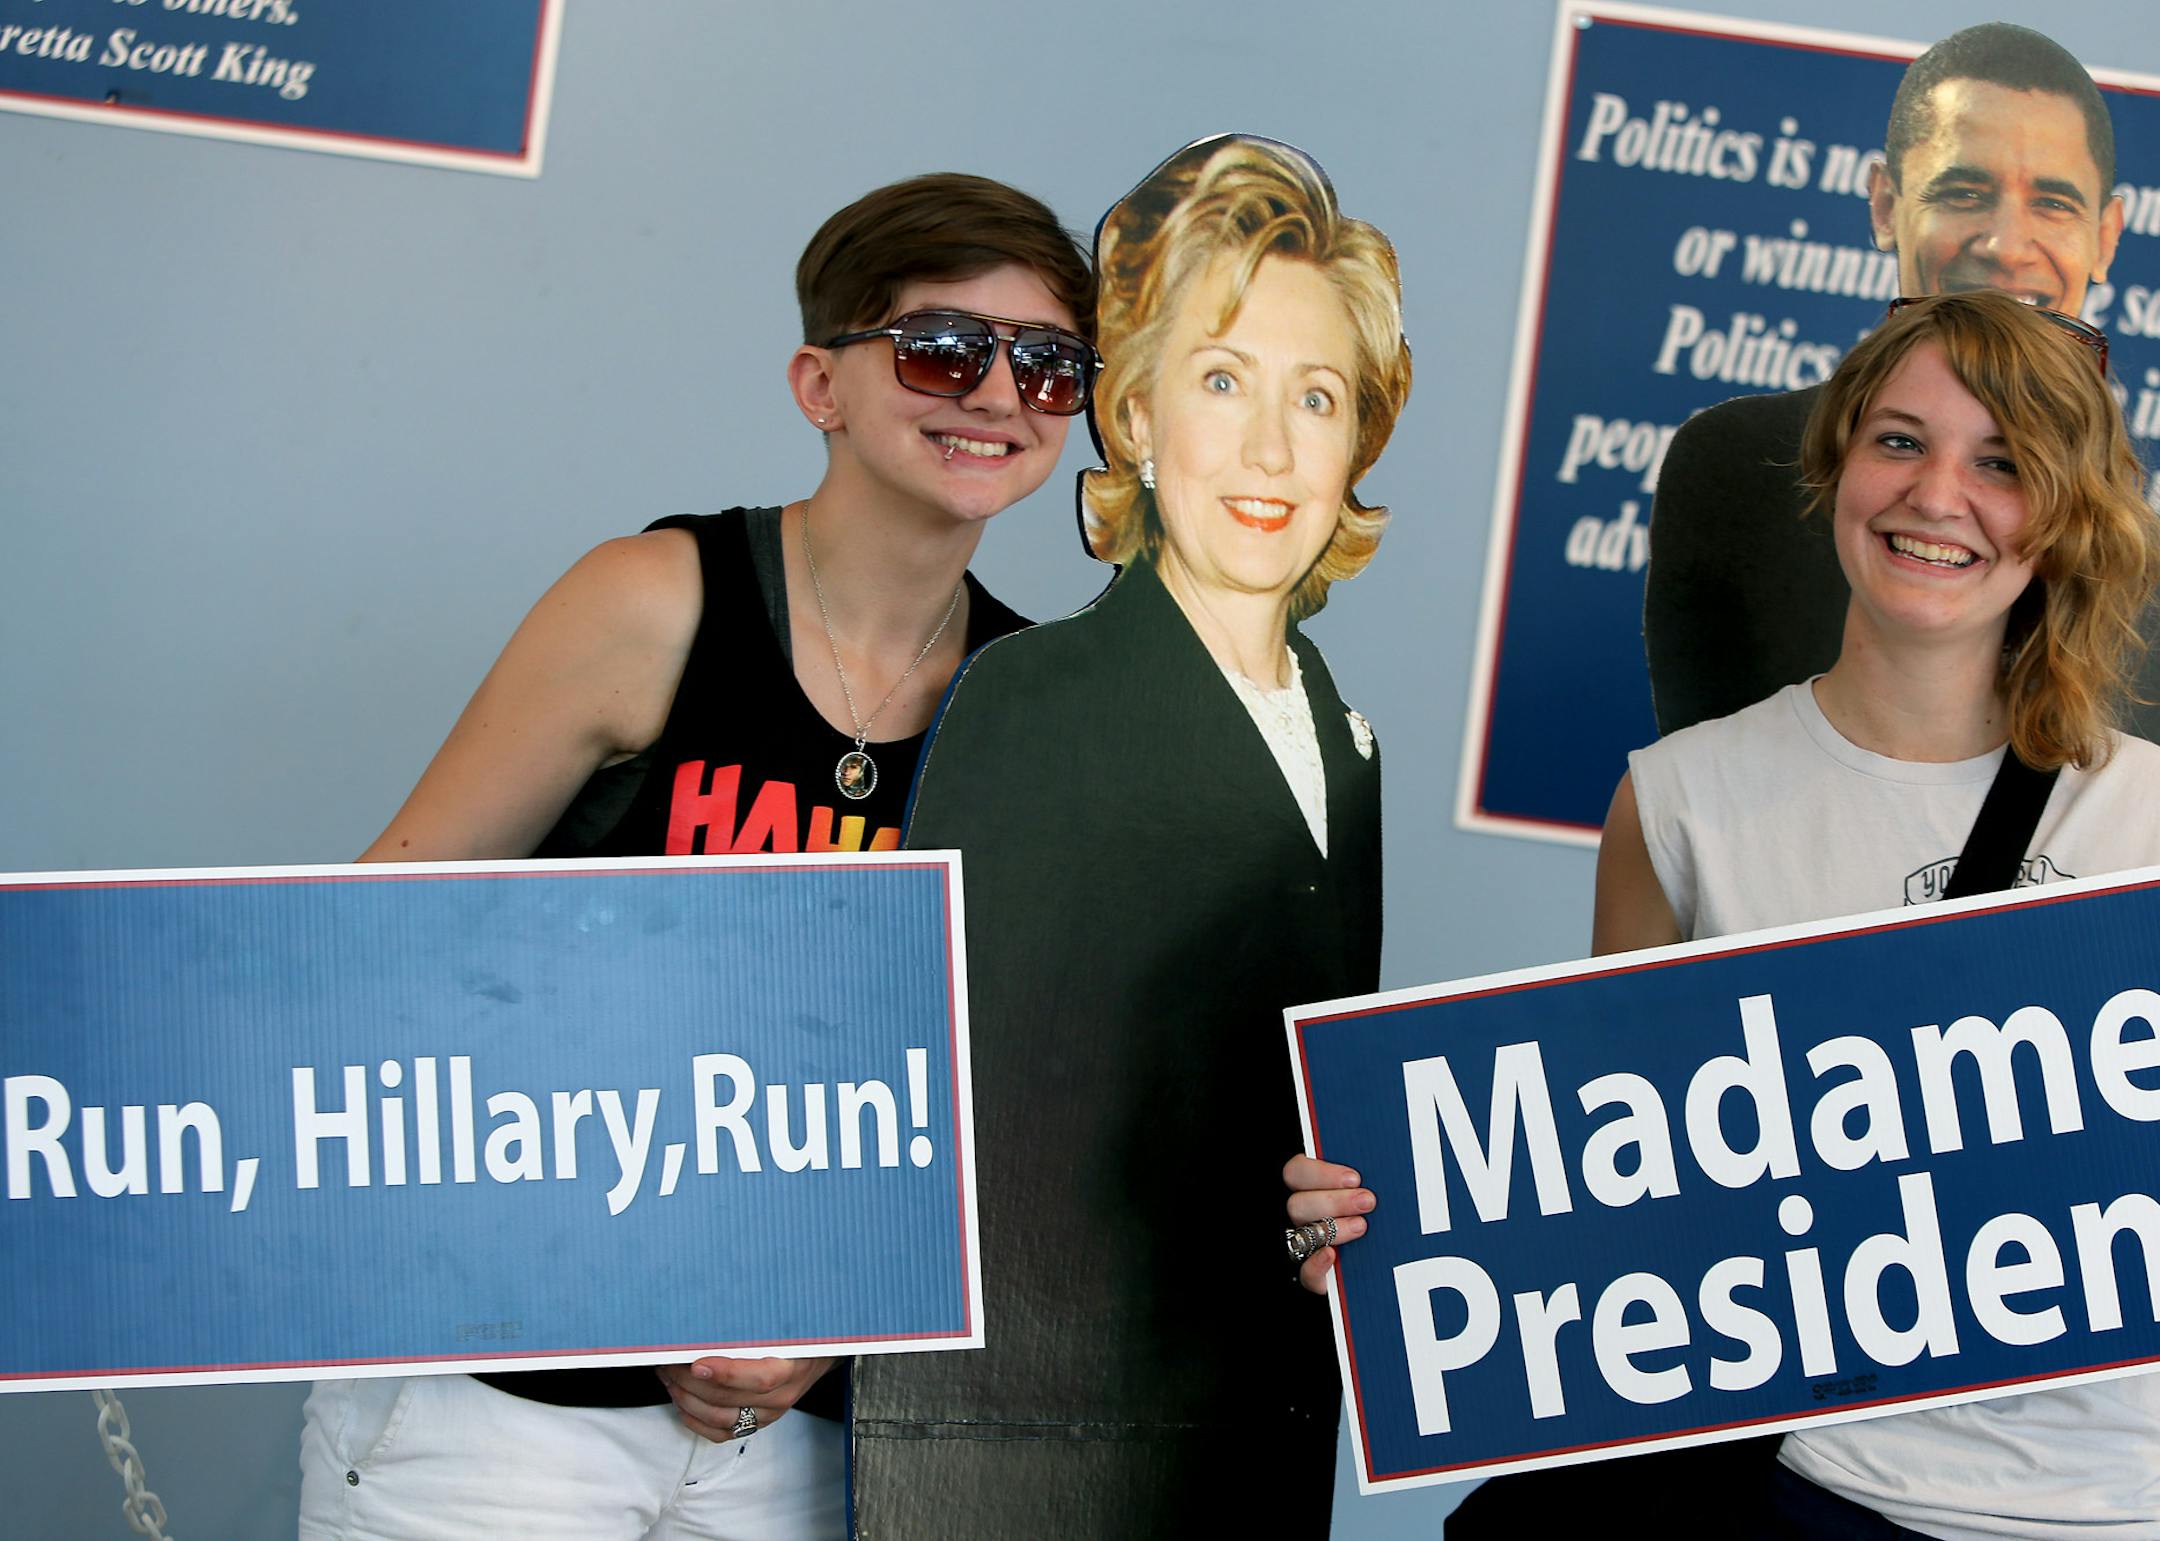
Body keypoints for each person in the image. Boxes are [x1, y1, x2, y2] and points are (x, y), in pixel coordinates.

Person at [295, 172, 1096, 1540]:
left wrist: (837, 1332)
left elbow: (986, 1099)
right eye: (942, 347)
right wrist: (620, 1272)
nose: (998, 393)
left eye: (1049, 364)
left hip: (804, 1439)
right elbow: (386, 944)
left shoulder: (1035, 702)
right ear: (820, 384)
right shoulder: (656, 601)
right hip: (504, 1409)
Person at [1298, 291, 2160, 1532]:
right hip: (1810, 1493)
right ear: (1838, 462)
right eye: (1901, 440)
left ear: (2068, 512)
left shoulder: (2142, 818)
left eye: (2004, 463)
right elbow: (1612, 1199)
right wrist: (1400, 1242)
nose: (1937, 494)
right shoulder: (1679, 801)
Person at [847, 135, 1410, 1536]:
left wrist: (1336, 1211)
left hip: (1255, 1454)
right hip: (1047, 1468)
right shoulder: (1033, 704)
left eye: (1318, 397)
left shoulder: (1345, 741)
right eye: (1223, 383)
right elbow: (980, 1165)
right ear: (1140, 418)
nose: (1273, 450)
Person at [1643, 22, 2143, 740]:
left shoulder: (2143, 562)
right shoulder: (1741, 464)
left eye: (2054, 203)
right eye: (1965, 191)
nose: (2006, 245)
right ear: (1885, 206)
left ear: (2106, 236)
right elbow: (1717, 807)